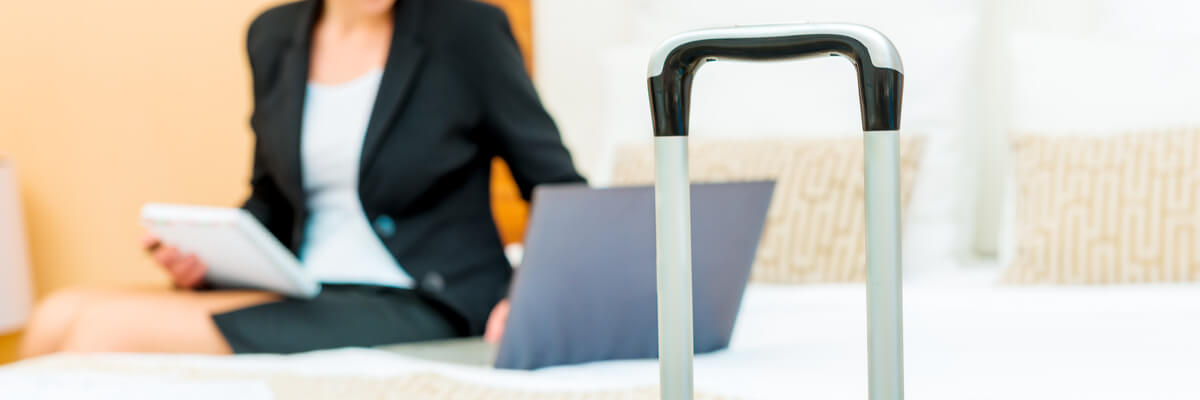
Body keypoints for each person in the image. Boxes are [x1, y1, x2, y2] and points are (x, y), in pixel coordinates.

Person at [19, 0, 582, 357]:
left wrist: (533, 295)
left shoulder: (467, 29)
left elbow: (558, 186)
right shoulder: (273, 35)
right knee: (56, 315)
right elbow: (272, 196)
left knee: (103, 334)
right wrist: (208, 256)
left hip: (423, 296)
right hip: (303, 287)